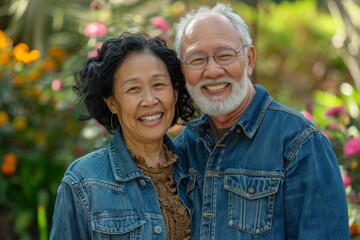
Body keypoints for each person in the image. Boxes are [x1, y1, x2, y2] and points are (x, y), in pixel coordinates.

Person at [172, 3, 350, 239]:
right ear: (183, 70)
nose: (212, 71)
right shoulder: (185, 146)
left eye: (224, 55)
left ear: (249, 59)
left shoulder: (300, 143)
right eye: (197, 59)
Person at [50, 32, 195, 239]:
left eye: (159, 85)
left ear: (175, 93)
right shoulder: (84, 181)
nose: (149, 100)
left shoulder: (197, 170)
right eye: (133, 89)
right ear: (112, 103)